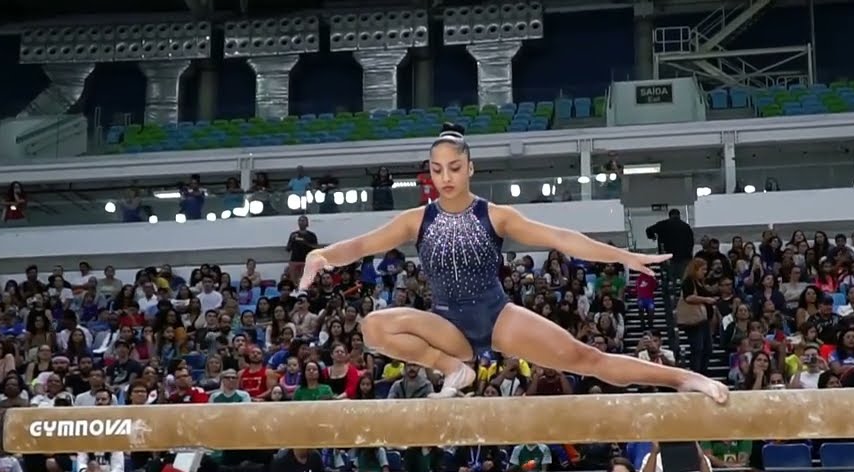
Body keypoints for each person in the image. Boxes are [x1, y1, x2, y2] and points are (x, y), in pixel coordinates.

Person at [297, 123, 729, 401]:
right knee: (373, 327)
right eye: (436, 169)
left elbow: (561, 239)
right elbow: (361, 245)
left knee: (587, 359)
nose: (445, 178)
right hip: (447, 326)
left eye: (454, 168)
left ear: (470, 168)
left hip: (497, 315)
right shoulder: (416, 220)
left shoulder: (496, 215)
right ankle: (454, 370)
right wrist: (322, 255)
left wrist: (622, 256)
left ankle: (684, 378)